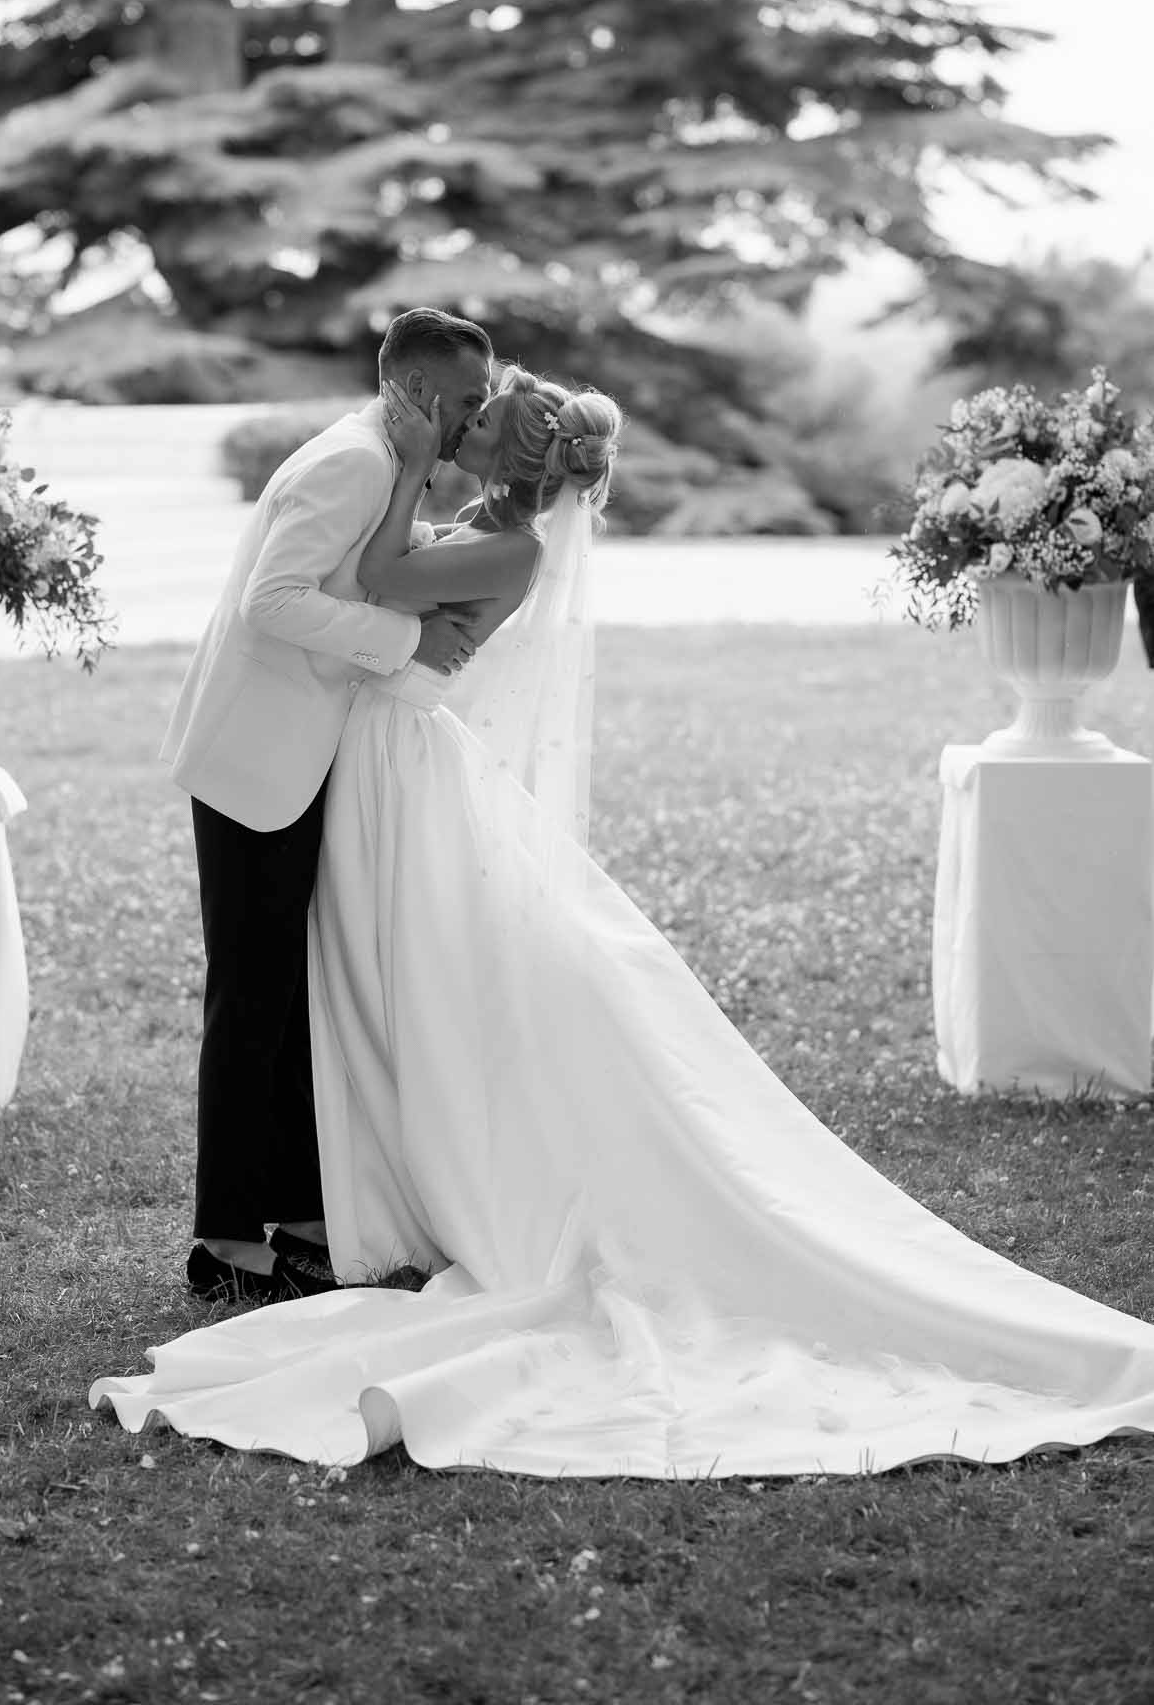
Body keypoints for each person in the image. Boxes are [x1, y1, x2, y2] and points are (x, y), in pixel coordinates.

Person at [95, 366, 1154, 1479]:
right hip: (368, 757)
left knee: (405, 971)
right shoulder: (480, 515)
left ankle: (361, 1192)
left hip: (397, 761)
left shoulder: (510, 545)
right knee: (350, 978)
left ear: (512, 447)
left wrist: (398, 463)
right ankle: (327, 1195)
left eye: (483, 410)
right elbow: (381, 583)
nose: (469, 414)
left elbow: (369, 573)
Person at [160, 307, 492, 1305]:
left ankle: (301, 1219)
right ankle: (224, 1238)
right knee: (252, 997)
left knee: (300, 994)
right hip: (256, 762)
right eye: (468, 401)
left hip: (309, 756)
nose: (477, 418)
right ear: (421, 393)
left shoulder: (387, 464)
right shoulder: (349, 462)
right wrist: (403, 642)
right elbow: (274, 598)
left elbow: (362, 562)